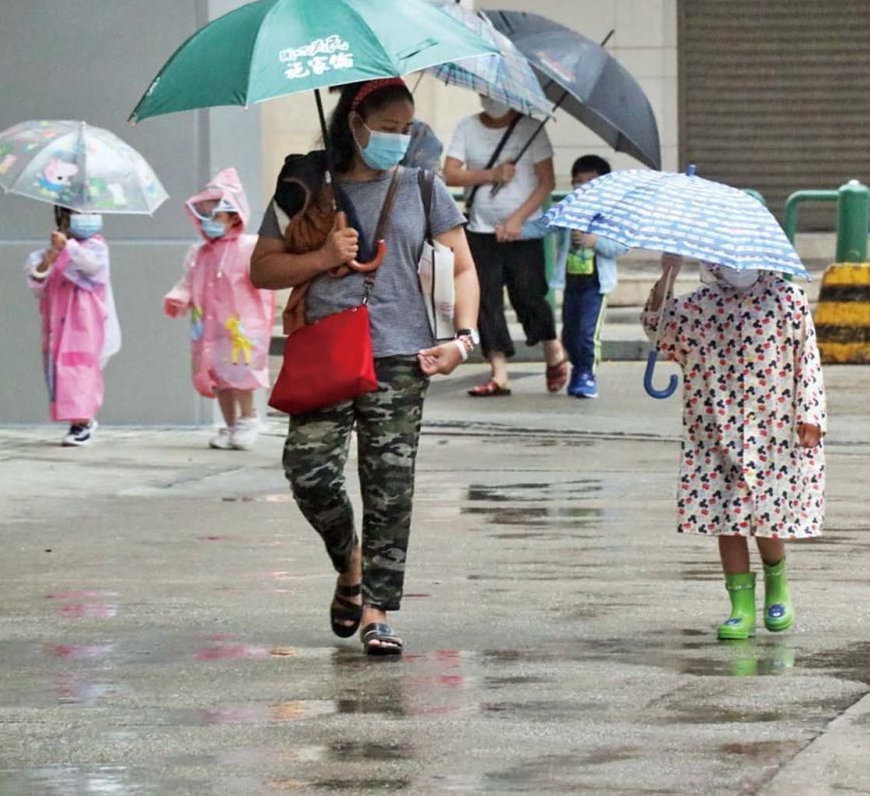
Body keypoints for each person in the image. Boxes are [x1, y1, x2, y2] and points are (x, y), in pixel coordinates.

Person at [250, 78, 480, 657]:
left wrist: (463, 341)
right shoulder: (304, 188)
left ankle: (378, 609)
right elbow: (262, 270)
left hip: (402, 356)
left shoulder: (425, 188)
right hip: (326, 348)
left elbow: (463, 269)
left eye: (407, 129)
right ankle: (348, 562)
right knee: (309, 471)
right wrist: (322, 257)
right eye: (389, 129)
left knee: (389, 488)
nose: (401, 140)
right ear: (356, 125)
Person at [641, 254, 827, 639]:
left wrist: (810, 412)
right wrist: (668, 273)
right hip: (714, 427)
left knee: (766, 515)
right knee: (726, 518)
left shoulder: (788, 300)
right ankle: (740, 604)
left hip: (770, 428)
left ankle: (777, 581)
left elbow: (806, 359)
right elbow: (658, 328)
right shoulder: (700, 304)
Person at [443, 97, 568, 397]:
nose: (491, 100)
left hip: (523, 232)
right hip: (480, 229)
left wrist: (517, 220)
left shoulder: (531, 129)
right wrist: (492, 175)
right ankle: (498, 373)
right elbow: (451, 173)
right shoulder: (467, 127)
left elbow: (546, 182)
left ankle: (552, 349)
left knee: (529, 293)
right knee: (485, 299)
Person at [163, 168, 277, 451]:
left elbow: (264, 276)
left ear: (234, 216)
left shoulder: (248, 248)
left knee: (240, 373)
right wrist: (179, 297)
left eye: (218, 216)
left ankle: (249, 418)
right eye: (207, 216)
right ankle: (229, 424)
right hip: (210, 327)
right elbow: (189, 281)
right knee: (217, 377)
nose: (211, 222)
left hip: (239, 325)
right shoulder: (200, 253)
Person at [25, 207, 121, 447]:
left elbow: (92, 268)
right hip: (58, 321)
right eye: (77, 213)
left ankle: (83, 422)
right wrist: (47, 262)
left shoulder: (96, 248)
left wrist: (67, 248)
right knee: (61, 372)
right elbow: (39, 283)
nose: (84, 219)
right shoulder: (57, 250)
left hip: (85, 321)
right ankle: (77, 421)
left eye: (90, 213)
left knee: (80, 369)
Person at [535, 155, 628, 399]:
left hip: (595, 286)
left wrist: (594, 241)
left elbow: (621, 246)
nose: (583, 187)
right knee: (570, 333)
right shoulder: (570, 207)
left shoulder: (611, 213)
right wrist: (512, 229)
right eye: (578, 181)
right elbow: (545, 225)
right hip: (571, 283)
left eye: (590, 181)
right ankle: (577, 369)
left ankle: (587, 374)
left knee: (588, 333)